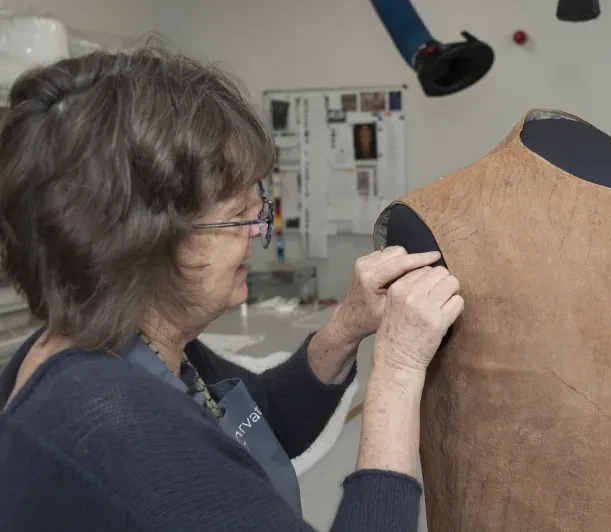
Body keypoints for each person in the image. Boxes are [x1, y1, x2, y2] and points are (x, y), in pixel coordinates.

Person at [0, 47, 464, 531]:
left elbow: (263, 422)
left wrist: (348, 325)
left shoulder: (137, 342)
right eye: (236, 216)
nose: (257, 231)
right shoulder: (113, 425)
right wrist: (398, 371)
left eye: (254, 208)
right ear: (143, 242)